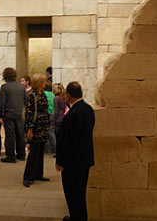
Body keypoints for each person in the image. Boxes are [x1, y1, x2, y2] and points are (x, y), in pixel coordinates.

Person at [56, 82, 95, 221]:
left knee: (73, 194)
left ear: (69, 95)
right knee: (79, 192)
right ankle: (78, 217)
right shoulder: (88, 109)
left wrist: (61, 162)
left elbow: (69, 142)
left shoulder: (74, 113)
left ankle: (77, 218)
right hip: (84, 159)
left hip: (73, 162)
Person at [23, 73, 51, 187]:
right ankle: (28, 177)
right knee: (34, 152)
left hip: (43, 126)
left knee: (40, 151)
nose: (45, 83)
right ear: (39, 83)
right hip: (35, 128)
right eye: (43, 81)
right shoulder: (32, 96)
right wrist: (30, 129)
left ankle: (38, 174)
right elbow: (29, 113)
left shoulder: (43, 94)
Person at [0, 67, 26, 163]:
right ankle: (21, 154)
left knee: (10, 136)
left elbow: (2, 103)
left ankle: (10, 156)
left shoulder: (5, 87)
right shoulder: (22, 87)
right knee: (20, 135)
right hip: (19, 114)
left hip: (9, 114)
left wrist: (0, 115)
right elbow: (25, 100)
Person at [44, 80, 56, 154]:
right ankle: (54, 148)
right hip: (52, 112)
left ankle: (47, 149)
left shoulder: (44, 94)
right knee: (51, 131)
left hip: (47, 113)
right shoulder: (52, 94)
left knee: (46, 132)